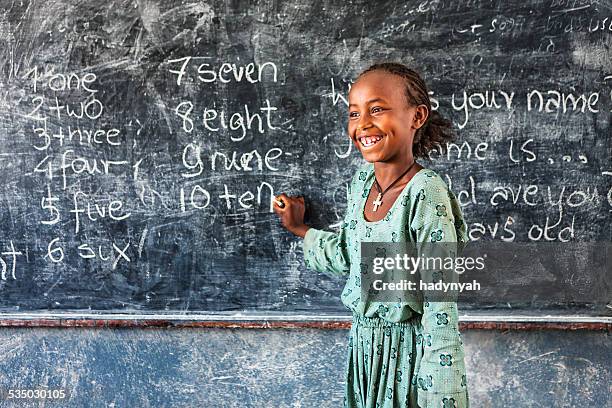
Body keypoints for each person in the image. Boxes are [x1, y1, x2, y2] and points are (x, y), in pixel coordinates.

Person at [273, 62, 470, 407]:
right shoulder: (363, 184)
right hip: (365, 349)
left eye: (377, 109)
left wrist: (440, 394)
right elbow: (352, 257)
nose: (362, 125)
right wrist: (300, 229)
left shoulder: (426, 193)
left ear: (417, 116)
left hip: (411, 355)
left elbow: (441, 306)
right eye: (353, 113)